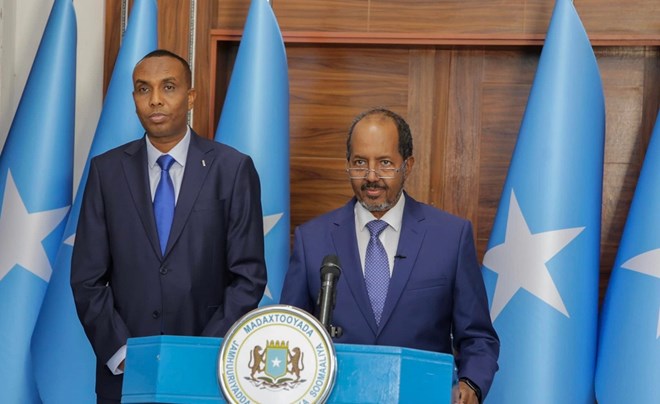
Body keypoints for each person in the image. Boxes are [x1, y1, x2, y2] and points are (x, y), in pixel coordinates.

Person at [71, 49, 267, 403]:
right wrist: (123, 352)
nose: (155, 100)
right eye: (143, 89)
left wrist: (203, 353)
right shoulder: (106, 171)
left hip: (205, 370)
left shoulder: (232, 169)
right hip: (126, 373)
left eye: (169, 87)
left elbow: (248, 277)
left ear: (190, 97)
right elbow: (87, 278)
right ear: (134, 98)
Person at [280, 108, 499, 404]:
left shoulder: (450, 237)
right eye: (360, 162)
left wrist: (470, 383)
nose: (371, 176)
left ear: (407, 165)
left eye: (384, 163)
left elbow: (478, 337)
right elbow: (289, 335)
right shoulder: (312, 239)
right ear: (347, 165)